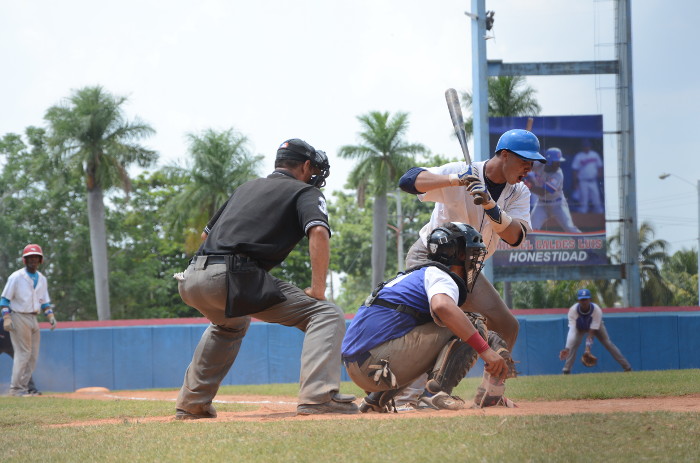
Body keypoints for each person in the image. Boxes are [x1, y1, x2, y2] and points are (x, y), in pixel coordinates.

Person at [173, 138, 358, 419]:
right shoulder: (304, 191)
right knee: (327, 313)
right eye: (313, 168)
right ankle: (319, 397)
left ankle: (192, 404)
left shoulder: (246, 188)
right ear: (306, 166)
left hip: (191, 276)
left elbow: (205, 236)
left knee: (229, 324)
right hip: (230, 277)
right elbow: (318, 232)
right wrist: (318, 288)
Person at [396, 128, 546, 409]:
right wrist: (456, 180)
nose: (529, 167)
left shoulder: (519, 192)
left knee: (506, 325)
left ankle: (491, 392)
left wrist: (490, 205)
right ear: (504, 155)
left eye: (532, 162)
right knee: (441, 323)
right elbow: (408, 180)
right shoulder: (462, 171)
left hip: (468, 267)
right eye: (524, 160)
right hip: (431, 257)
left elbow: (516, 237)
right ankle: (421, 394)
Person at [342, 222, 511, 413]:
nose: (475, 259)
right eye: (472, 253)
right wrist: (485, 350)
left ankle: (376, 400)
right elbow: (442, 306)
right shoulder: (442, 276)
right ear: (460, 254)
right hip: (378, 362)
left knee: (443, 329)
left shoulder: (417, 275)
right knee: (470, 322)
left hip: (359, 367)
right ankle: (434, 395)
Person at [1, 244, 57, 397]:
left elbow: (44, 301)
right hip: (19, 315)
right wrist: (6, 317)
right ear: (24, 260)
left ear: (40, 260)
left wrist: (50, 315)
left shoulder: (42, 279)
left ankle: (24, 388)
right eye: (30, 257)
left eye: (36, 257)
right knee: (23, 353)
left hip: (34, 317)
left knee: (33, 355)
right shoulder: (16, 276)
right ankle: (16, 389)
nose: (33, 260)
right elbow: (5, 299)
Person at [559, 288, 632, 374]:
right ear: (578, 301)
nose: (584, 302)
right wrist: (567, 348)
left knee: (608, 344)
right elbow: (572, 331)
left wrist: (587, 350)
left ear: (590, 299)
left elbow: (591, 333)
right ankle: (566, 370)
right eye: (582, 300)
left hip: (596, 327)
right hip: (579, 327)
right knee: (572, 346)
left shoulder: (596, 310)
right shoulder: (573, 310)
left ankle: (627, 367)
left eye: (586, 299)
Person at [528, 147, 581, 233]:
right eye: (556, 162)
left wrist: (528, 185)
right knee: (531, 229)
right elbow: (524, 166)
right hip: (542, 204)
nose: (558, 164)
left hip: (557, 204)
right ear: (548, 161)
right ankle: (533, 247)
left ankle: (587, 245)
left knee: (569, 228)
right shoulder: (539, 164)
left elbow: (543, 192)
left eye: (559, 161)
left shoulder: (558, 174)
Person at [0, 318, 40, 395]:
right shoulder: (1, 322)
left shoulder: (22, 323)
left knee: (24, 365)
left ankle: (31, 388)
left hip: (13, 346)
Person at [570, 139, 604, 213]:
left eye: (588, 146)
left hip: (593, 180)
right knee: (583, 199)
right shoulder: (579, 156)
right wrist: (575, 182)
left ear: (590, 146)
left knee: (596, 198)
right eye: (585, 146)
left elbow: (600, 166)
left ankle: (598, 211)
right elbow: (575, 170)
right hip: (583, 181)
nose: (587, 147)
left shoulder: (594, 154)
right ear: (583, 147)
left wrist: (599, 173)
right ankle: (584, 214)